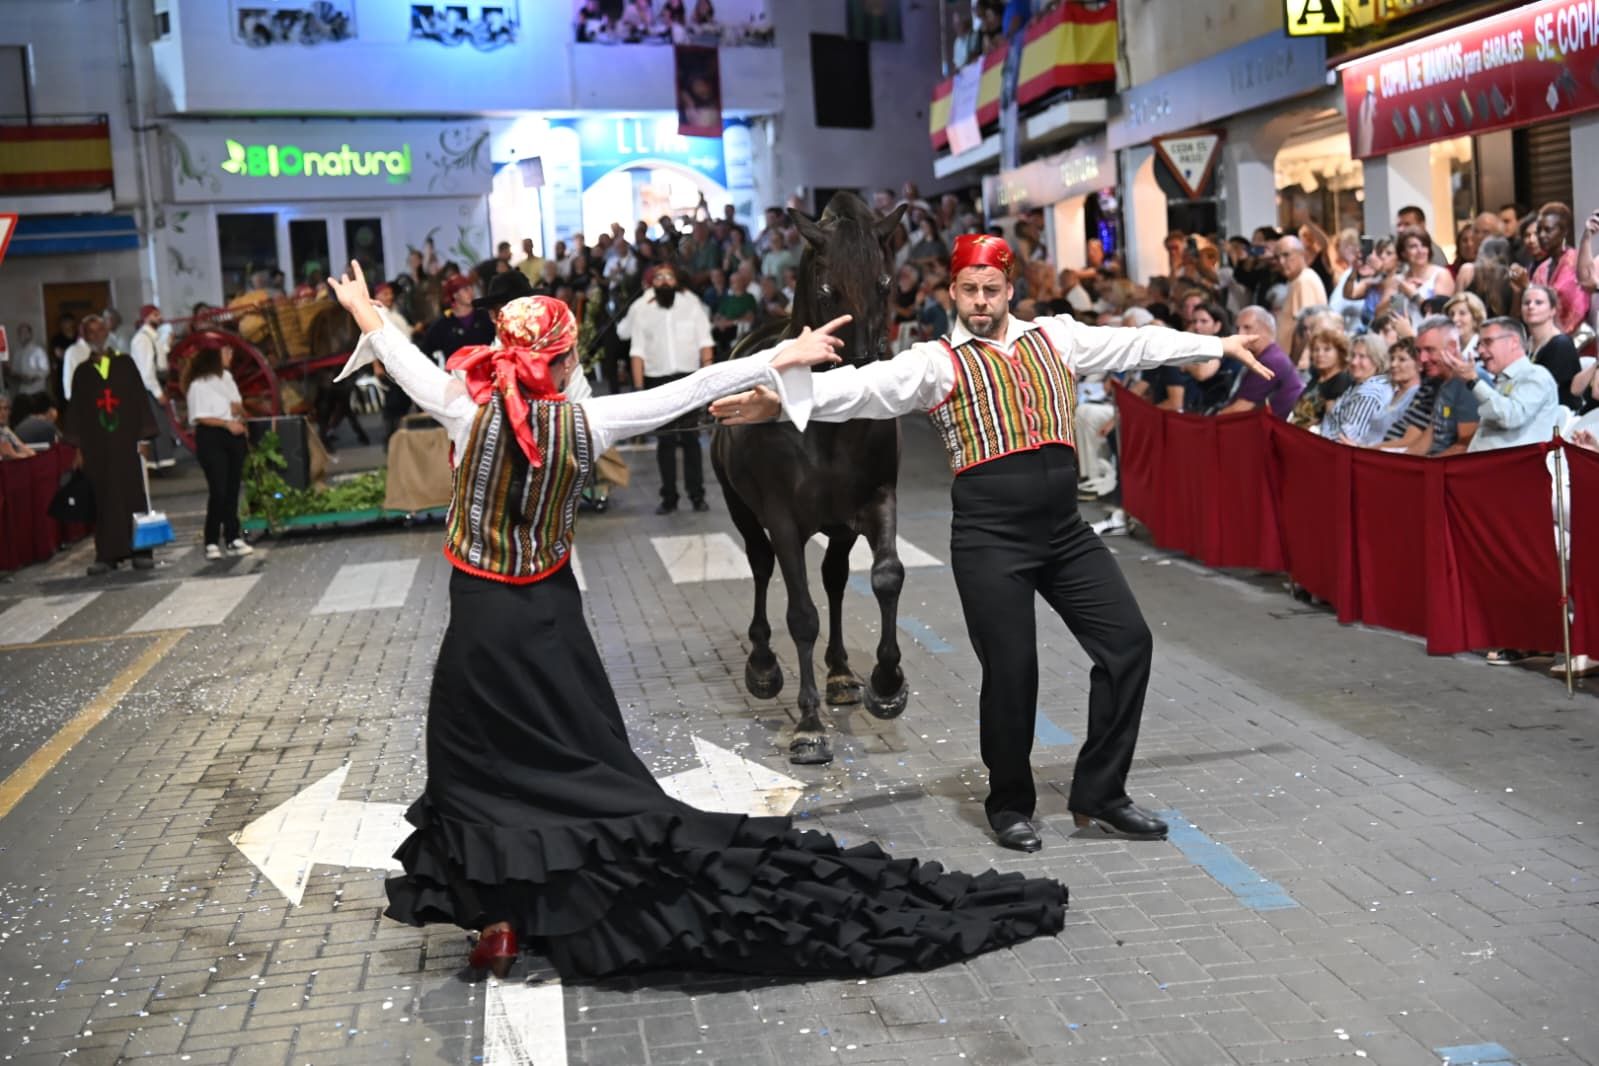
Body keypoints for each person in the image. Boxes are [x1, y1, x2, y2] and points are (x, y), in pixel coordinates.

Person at [324, 260, 1066, 978]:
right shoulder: (593, 420)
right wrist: (782, 355)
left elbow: (406, 362)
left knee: (476, 763)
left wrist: (367, 312)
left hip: (479, 621)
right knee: (575, 764)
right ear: (564, 357)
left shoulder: (464, 406)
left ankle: (498, 919)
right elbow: (693, 389)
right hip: (549, 615)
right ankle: (568, 893)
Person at [712, 234, 1272, 852]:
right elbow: (862, 389)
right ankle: (1009, 801)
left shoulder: (1056, 337)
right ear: (953, 292)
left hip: (1065, 533)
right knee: (1012, 672)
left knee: (1128, 644)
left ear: (1010, 291)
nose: (981, 302)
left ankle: (1101, 795)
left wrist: (1217, 343)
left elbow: (1133, 343)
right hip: (990, 539)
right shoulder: (935, 361)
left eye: (992, 290)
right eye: (970, 291)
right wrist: (785, 402)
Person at [618, 264, 715, 513]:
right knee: (666, 441)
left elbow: (705, 343)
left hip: (689, 378)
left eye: (669, 277)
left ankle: (697, 495)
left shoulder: (691, 306)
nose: (663, 281)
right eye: (658, 277)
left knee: (691, 438)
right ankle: (669, 498)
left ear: (677, 281)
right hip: (657, 381)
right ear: (652, 283)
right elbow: (636, 352)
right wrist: (639, 389)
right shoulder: (643, 311)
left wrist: (708, 379)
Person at [62, 338, 157, 575]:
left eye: (100, 331)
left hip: (126, 443)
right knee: (103, 499)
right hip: (97, 448)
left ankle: (141, 550)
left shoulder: (125, 365)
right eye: (91, 332)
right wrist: (78, 448)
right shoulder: (82, 373)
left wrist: (144, 437)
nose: (97, 337)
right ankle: (107, 554)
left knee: (133, 494)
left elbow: (139, 398)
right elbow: (76, 410)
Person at [1437, 318, 1562, 453]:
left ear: (1513, 342)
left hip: (1514, 469)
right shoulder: (1503, 381)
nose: (1480, 350)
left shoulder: (1536, 375)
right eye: (1479, 344)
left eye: (1488, 342)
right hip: (1486, 467)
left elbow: (1511, 417)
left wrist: (1473, 381)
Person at [183, 346, 252, 559]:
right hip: (212, 438)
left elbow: (237, 405)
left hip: (234, 436)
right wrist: (225, 422)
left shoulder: (227, 378)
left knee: (232, 488)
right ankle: (211, 540)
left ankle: (233, 536)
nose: (230, 356)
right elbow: (200, 416)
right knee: (218, 489)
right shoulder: (198, 385)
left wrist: (236, 415)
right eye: (226, 353)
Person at [1219, 306, 1303, 418]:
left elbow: (1241, 408)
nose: (1239, 334)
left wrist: (1208, 422)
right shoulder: (1268, 355)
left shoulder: (1271, 361)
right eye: (1238, 328)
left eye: (1247, 327)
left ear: (1266, 329)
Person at [1318, 333, 1394, 446]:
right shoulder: (1361, 383)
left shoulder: (1369, 393)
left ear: (1377, 360)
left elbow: (1346, 439)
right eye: (1353, 355)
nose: (1353, 362)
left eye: (1362, 357)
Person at [1520, 284, 1582, 410]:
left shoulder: (1561, 344)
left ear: (1552, 310)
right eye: (1527, 303)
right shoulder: (1526, 343)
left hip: (1558, 416)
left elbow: (1544, 390)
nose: (1531, 306)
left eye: (1538, 303)